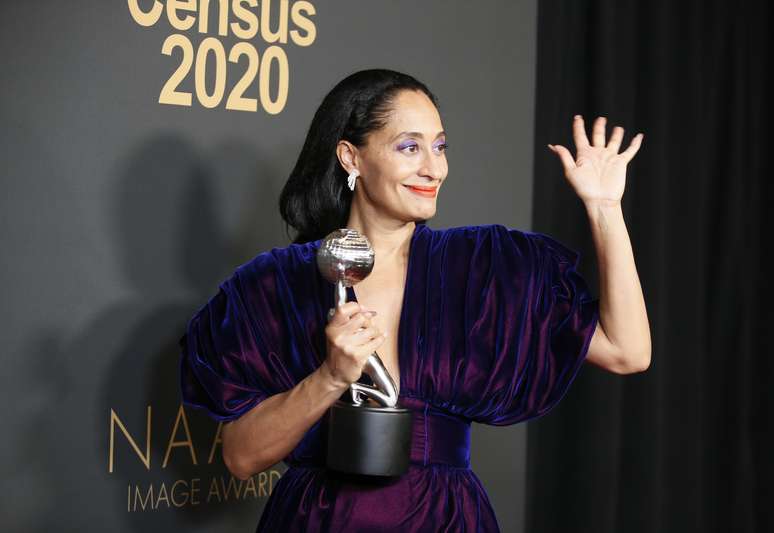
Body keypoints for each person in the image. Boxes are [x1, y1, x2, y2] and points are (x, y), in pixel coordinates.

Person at [178, 69, 651, 532]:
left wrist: (605, 208)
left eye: (440, 146)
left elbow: (628, 352)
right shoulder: (274, 283)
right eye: (410, 147)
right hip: (318, 519)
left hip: (445, 519)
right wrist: (329, 378)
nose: (434, 168)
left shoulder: (484, 267)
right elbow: (240, 458)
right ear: (351, 157)